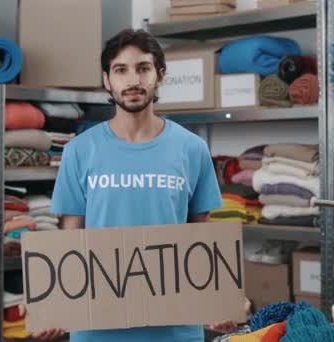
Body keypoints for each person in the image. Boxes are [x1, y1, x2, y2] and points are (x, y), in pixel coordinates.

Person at [32, 28, 237, 341]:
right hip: (97, 328)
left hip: (175, 329)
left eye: (143, 68)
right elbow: (70, 239)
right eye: (121, 70)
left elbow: (202, 236)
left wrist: (218, 302)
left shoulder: (192, 149)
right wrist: (56, 307)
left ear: (160, 76)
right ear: (107, 80)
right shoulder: (79, 150)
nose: (132, 80)